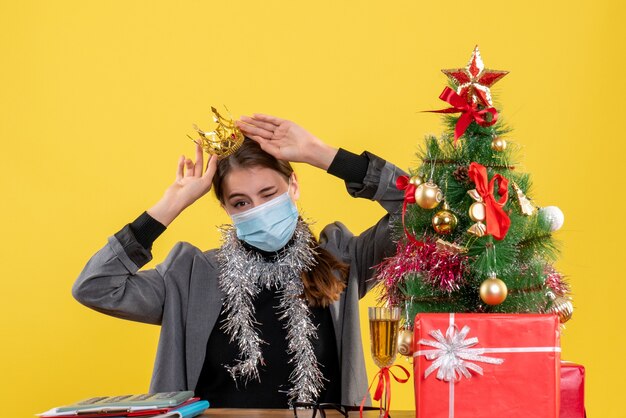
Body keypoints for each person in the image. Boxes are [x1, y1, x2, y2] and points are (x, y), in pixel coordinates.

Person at [72, 113, 406, 408]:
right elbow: (96, 287)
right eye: (241, 202)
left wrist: (321, 155)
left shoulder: (341, 260)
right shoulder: (191, 276)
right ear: (226, 209)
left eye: (268, 194)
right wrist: (168, 207)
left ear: (293, 185)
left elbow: (420, 208)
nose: (258, 210)